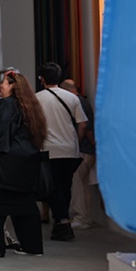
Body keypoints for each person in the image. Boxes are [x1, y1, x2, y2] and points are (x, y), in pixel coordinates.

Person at [0, 71, 48, 258]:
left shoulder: (5, 105)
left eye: (3, 83)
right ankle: (32, 246)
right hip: (27, 161)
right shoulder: (29, 105)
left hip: (6, 162)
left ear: (12, 85)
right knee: (25, 204)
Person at [36, 63, 87, 242]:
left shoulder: (37, 98)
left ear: (42, 79)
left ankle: (63, 223)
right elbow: (82, 124)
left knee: (54, 188)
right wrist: (75, 142)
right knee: (66, 187)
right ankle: (61, 222)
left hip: (49, 149)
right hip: (70, 150)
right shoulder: (73, 98)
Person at [60, 79, 98, 229]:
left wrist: (75, 144)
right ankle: (85, 217)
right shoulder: (83, 101)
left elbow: (83, 126)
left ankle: (81, 217)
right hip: (88, 150)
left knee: (77, 185)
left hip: (81, 150)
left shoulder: (77, 102)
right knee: (83, 185)